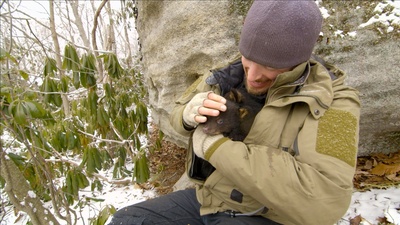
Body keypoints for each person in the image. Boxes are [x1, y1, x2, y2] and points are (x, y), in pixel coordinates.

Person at [108, 1, 360, 225]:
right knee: (128, 219)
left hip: (269, 215)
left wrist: (217, 149)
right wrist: (187, 115)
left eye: (269, 67)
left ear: (299, 60)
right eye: (248, 59)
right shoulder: (228, 74)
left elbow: (326, 200)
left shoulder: (337, 104)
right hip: (212, 198)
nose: (251, 76)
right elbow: (176, 116)